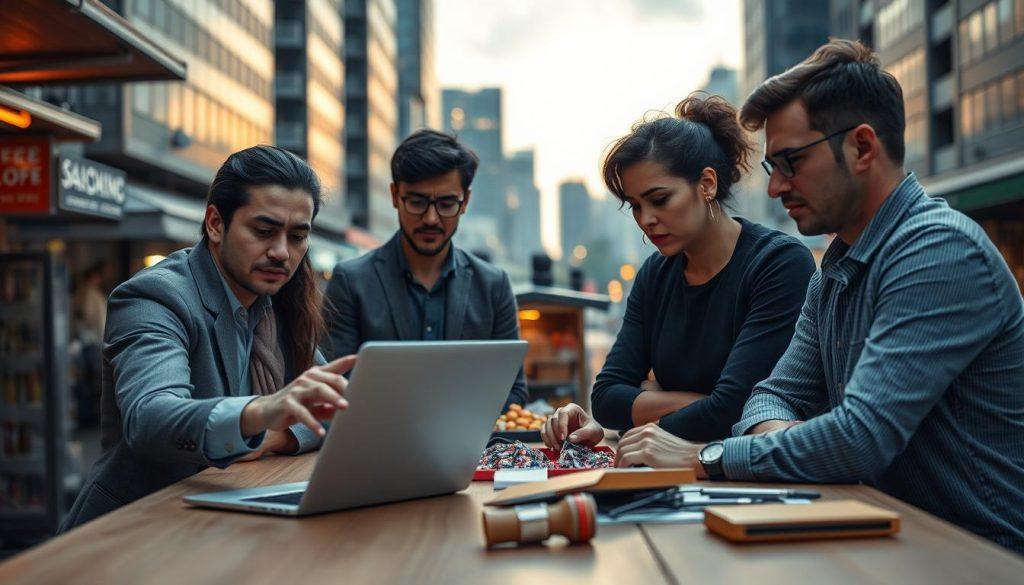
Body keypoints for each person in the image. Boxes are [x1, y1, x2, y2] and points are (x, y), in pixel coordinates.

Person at [611, 40, 1024, 554]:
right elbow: (768, 397)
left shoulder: (939, 250)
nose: (775, 188)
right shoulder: (834, 268)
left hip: (980, 552)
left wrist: (706, 456)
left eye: (792, 161)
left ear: (862, 148)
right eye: (773, 167)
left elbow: (858, 439)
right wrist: (787, 437)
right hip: (884, 533)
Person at [61, 146, 355, 531]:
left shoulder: (278, 305)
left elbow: (337, 410)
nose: (282, 252)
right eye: (263, 231)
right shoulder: (155, 296)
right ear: (216, 224)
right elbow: (150, 417)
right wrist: (257, 414)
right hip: (132, 530)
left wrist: (273, 436)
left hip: (224, 523)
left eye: (298, 236)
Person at [542, 94, 815, 449]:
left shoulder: (778, 264)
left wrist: (647, 409)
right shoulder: (655, 275)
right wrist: (706, 403)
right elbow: (607, 399)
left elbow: (738, 410)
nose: (646, 219)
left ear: (707, 184)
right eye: (635, 205)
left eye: (659, 199)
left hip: (753, 473)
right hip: (665, 467)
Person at [322, 129, 527, 410]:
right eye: (417, 202)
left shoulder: (493, 285)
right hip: (378, 437)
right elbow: (333, 386)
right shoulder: (351, 281)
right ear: (395, 195)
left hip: (467, 438)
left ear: (465, 202)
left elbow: (514, 390)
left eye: (446, 204)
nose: (431, 219)